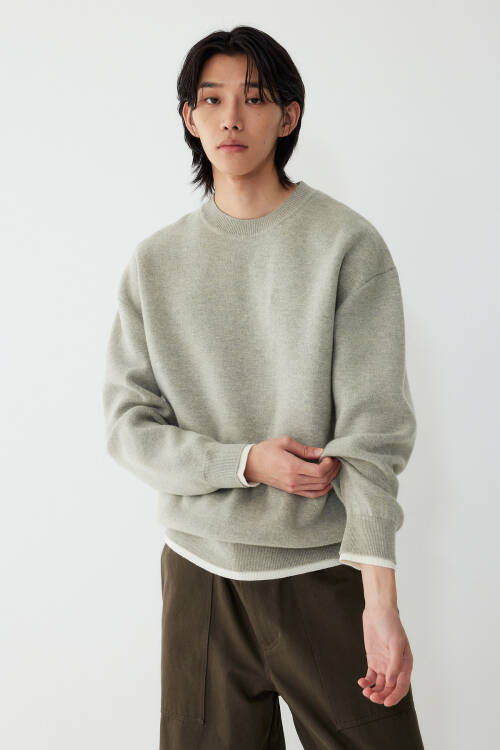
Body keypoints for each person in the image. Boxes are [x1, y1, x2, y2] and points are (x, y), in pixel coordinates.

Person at [102, 25, 425, 750]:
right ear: (189, 118)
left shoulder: (346, 244)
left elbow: (373, 434)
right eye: (211, 99)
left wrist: (380, 601)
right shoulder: (155, 264)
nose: (231, 118)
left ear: (289, 116)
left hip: (322, 574)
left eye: (253, 98)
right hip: (199, 579)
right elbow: (128, 427)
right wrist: (245, 462)